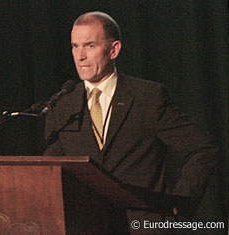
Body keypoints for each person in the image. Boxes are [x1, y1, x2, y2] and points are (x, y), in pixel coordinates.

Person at [43, 11, 218, 234]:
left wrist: (180, 202)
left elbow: (203, 148)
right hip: (86, 226)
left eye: (89, 45)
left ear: (114, 49)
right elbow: (52, 169)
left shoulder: (148, 97)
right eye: (75, 46)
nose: (80, 56)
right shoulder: (62, 105)